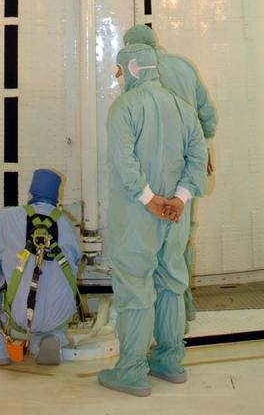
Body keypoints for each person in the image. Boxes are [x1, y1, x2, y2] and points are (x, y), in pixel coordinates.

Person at [99, 43, 207, 398]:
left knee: (134, 286)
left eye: (119, 69)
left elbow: (124, 161)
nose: (116, 75)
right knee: (172, 284)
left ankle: (131, 371)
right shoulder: (183, 107)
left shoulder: (124, 108)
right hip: (175, 217)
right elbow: (198, 157)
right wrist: (180, 199)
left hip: (136, 219)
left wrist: (148, 200)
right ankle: (169, 361)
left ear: (132, 68)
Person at [123, 22, 216, 318]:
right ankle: (182, 308)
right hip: (187, 165)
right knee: (181, 236)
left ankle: (154, 316)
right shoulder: (183, 67)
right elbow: (206, 113)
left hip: (152, 167)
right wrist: (202, 147)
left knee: (149, 243)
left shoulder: (141, 75)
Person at [0, 168, 82, 366]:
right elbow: (76, 262)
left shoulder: (8, 218)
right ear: (56, 198)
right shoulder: (68, 225)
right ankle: (50, 338)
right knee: (56, 279)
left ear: (30, 194)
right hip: (59, 316)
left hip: (20, 317)